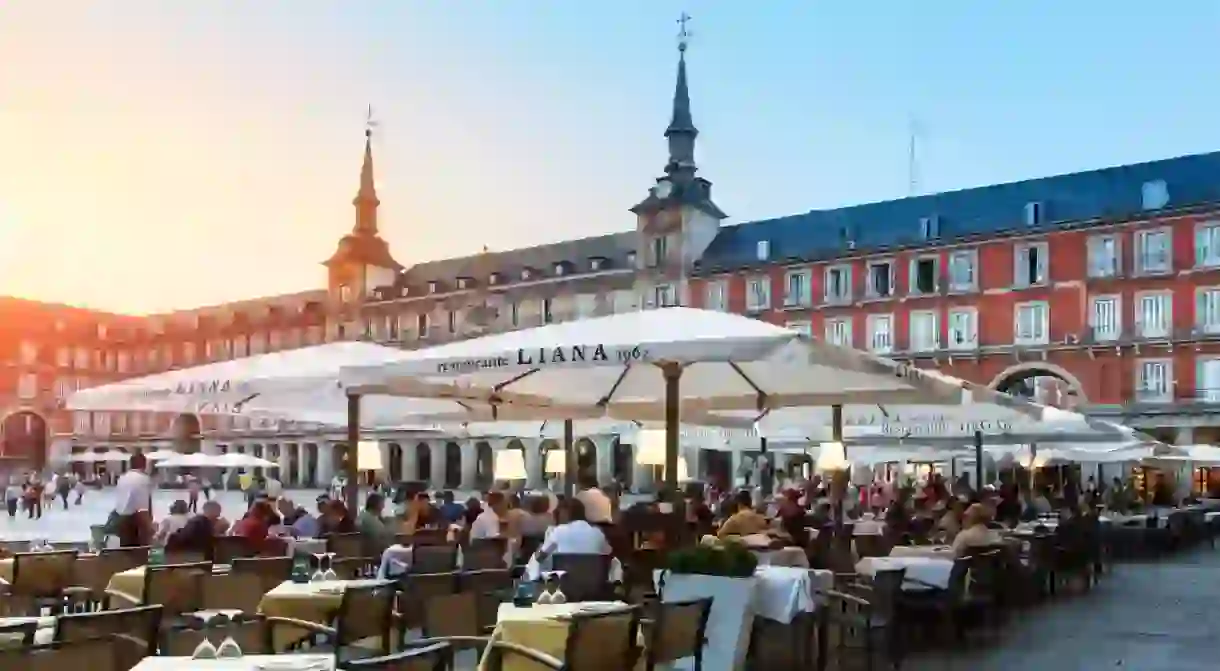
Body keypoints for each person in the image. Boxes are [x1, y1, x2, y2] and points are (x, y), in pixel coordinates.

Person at [534, 498, 612, 562]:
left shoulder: (558, 531)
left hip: (565, 579)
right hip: (593, 579)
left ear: (565, 514)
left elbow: (539, 558)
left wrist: (545, 541)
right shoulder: (597, 532)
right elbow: (608, 554)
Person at [113, 453, 154, 547]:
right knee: (139, 554)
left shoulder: (122, 478)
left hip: (121, 519)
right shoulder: (143, 479)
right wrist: (149, 527)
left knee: (125, 552)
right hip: (135, 522)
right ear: (144, 464)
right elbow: (142, 507)